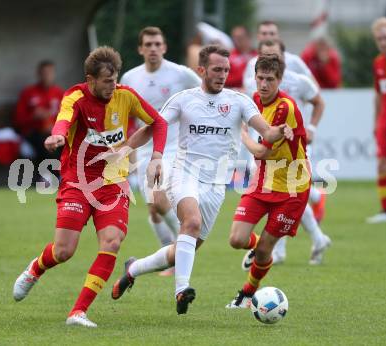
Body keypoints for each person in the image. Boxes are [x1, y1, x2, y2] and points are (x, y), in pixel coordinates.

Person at [111, 45, 294, 315]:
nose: (222, 75)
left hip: (216, 186)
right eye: (217, 69)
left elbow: (265, 130)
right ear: (201, 70)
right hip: (184, 174)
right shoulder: (184, 99)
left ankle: (133, 269)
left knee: (186, 248)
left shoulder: (239, 101)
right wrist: (123, 149)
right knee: (192, 222)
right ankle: (181, 289)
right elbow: (154, 127)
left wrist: (279, 131)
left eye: (226, 70)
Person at [12, 46, 168, 328]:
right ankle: (35, 269)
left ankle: (78, 312)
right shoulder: (76, 96)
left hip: (113, 182)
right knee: (64, 251)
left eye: (115, 79)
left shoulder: (125, 96)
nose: (113, 85)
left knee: (112, 242)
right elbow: (62, 120)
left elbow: (158, 122)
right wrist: (57, 137)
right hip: (78, 181)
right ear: (90, 78)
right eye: (107, 81)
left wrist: (156, 157)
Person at [226, 54, 311, 308]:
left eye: (270, 80)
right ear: (254, 77)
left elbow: (262, 151)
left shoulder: (285, 107)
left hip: (292, 190)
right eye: (260, 78)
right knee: (236, 240)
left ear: (280, 80)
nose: (263, 84)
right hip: (263, 181)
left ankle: (247, 293)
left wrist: (241, 134)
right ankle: (256, 248)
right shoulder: (254, 100)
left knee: (265, 251)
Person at [120, 27, 201, 276]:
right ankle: (172, 253)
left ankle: (187, 242)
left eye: (157, 44)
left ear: (164, 47)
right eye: (148, 44)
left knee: (158, 197)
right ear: (140, 49)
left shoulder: (181, 74)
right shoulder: (130, 78)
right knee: (154, 207)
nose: (153, 48)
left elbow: (204, 91)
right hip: (145, 150)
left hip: (174, 147)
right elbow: (124, 115)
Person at [243, 40, 331, 265]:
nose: (264, 83)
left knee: (289, 194)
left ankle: (280, 249)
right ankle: (314, 238)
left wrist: (311, 128)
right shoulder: (254, 75)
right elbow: (250, 106)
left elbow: (318, 101)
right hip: (265, 143)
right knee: (285, 196)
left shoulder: (298, 78)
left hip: (292, 145)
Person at [14, 60, 64, 181]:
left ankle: (61, 175)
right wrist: (33, 117)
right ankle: (47, 175)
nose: (47, 76)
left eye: (50, 73)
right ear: (39, 74)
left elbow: (67, 119)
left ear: (54, 74)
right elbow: (18, 120)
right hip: (33, 133)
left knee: (63, 141)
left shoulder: (60, 93)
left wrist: (55, 126)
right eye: (44, 73)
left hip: (55, 132)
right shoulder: (28, 93)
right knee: (45, 140)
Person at [367, 17, 386, 223]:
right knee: (382, 165)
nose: (383, 42)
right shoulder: (378, 63)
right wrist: (376, 122)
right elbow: (377, 94)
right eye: (379, 39)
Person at [242, 20, 314, 91]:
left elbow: (312, 84)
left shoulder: (294, 60)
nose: (268, 37)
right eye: (264, 33)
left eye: (272, 33)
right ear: (258, 36)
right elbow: (246, 88)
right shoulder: (252, 63)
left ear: (278, 35)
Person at [225, 26, 257, 90]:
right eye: (234, 37)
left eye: (240, 37)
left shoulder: (257, 55)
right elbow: (224, 77)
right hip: (232, 91)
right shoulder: (228, 56)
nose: (236, 40)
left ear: (248, 37)